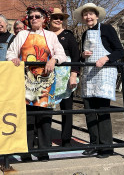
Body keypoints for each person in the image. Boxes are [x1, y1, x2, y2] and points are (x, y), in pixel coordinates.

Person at [7, 6, 66, 161]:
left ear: (44, 19)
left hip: (46, 82)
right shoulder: (22, 35)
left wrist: (54, 59)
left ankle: (43, 151)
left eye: (37, 16)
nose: (34, 19)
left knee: (44, 118)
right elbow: (11, 52)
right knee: (28, 117)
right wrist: (13, 58)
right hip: (25, 81)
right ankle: (25, 151)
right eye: (31, 16)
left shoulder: (51, 36)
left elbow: (62, 54)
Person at [73, 3, 124, 158]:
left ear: (96, 16)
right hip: (89, 74)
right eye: (85, 15)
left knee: (102, 111)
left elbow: (120, 51)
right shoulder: (85, 34)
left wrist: (106, 58)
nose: (88, 17)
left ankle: (106, 147)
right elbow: (83, 55)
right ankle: (94, 143)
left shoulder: (107, 29)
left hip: (104, 73)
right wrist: (83, 55)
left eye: (91, 14)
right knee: (89, 112)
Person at [48, 8, 80, 147]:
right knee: (47, 107)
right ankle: (44, 137)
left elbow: (76, 56)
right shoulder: (45, 35)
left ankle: (66, 139)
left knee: (66, 108)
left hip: (65, 75)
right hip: (48, 75)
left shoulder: (68, 35)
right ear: (50, 19)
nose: (58, 20)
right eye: (55, 17)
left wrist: (74, 75)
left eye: (61, 18)